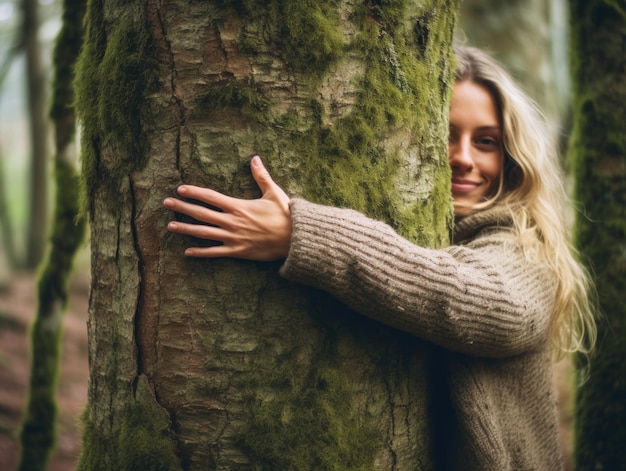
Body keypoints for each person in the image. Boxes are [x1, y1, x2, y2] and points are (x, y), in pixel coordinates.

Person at [163, 46, 596, 470]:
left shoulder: (522, 244)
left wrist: (303, 232)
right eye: (447, 134)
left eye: (485, 141)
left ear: (511, 157)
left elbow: (496, 306)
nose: (464, 158)